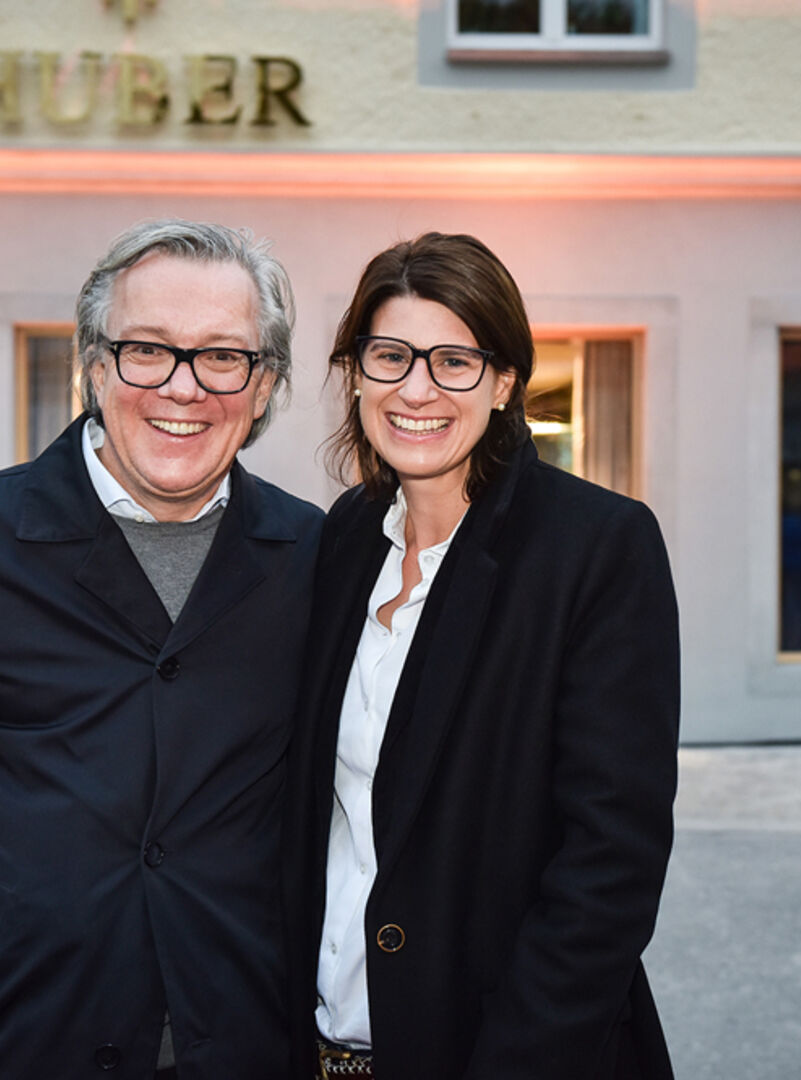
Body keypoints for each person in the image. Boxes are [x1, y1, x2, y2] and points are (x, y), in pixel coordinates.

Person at [0, 220, 322, 1080]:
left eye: (222, 356)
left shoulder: (314, 557)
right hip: (8, 1048)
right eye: (146, 349)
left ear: (264, 382)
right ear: (92, 364)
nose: (183, 386)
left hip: (244, 1048)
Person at [284, 233, 680, 1079]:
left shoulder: (596, 548)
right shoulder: (346, 539)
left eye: (455, 361)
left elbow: (609, 867)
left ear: (504, 383)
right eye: (390, 356)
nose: (416, 388)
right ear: (356, 374)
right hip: (327, 1045)